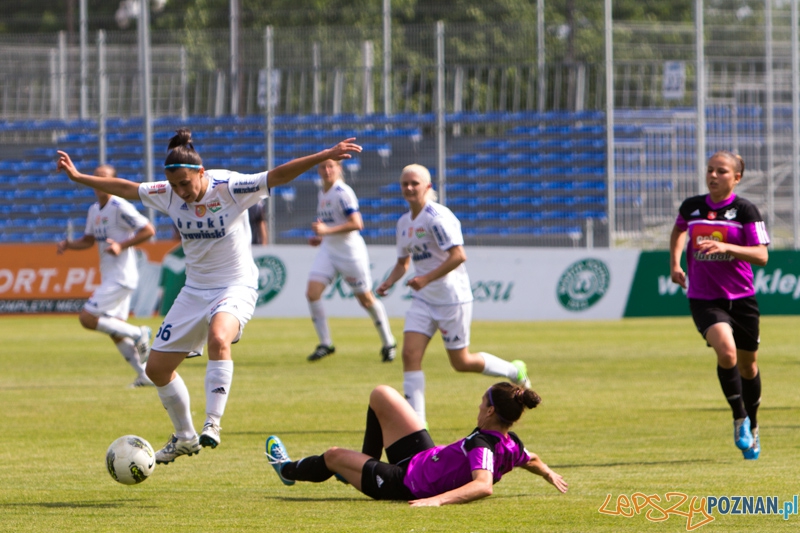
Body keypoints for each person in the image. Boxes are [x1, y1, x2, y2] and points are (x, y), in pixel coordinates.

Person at [57, 130, 362, 464]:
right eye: (174, 186)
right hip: (194, 290)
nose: (181, 192)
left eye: (186, 184)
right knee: (157, 369)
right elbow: (127, 189)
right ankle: (185, 437)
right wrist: (78, 177)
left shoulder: (229, 187)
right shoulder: (167, 193)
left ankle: (212, 424)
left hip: (236, 285)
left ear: (201, 173)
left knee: (220, 336)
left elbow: (278, 175)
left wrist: (324, 155)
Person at [375, 164, 531, 425]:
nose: (410, 188)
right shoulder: (403, 223)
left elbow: (458, 255)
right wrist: (388, 282)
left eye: (415, 183)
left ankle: (514, 370)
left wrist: (425, 278)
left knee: (461, 361)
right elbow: (403, 262)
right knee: (409, 355)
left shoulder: (438, 217)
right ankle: (417, 424)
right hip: (424, 300)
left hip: (451, 298)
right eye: (405, 184)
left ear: (428, 186)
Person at [265, 382, 568, 505]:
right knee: (381, 394)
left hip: (404, 483)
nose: (478, 406)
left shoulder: (483, 447)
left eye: (481, 403)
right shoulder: (510, 443)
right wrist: (548, 473)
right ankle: (360, 465)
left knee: (332, 456)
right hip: (422, 458)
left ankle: (287, 470)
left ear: (490, 411)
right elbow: (531, 458)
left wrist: (435, 501)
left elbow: (483, 484)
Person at [669, 150, 769, 460]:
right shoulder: (692, 207)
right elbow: (679, 230)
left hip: (741, 299)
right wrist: (675, 264)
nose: (713, 175)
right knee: (726, 352)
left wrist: (726, 246)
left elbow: (762, 255)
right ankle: (739, 417)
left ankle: (753, 425)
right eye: (710, 170)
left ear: (736, 178)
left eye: (721, 171)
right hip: (704, 297)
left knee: (748, 365)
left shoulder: (745, 210)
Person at [56, 164, 155, 388]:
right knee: (114, 330)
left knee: (87, 318)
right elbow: (89, 240)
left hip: (122, 276)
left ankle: (139, 332)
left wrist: (122, 245)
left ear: (112, 182)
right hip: (110, 276)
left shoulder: (120, 205)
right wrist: (69, 244)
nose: (99, 181)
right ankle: (145, 375)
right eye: (97, 177)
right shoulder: (94, 210)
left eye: (104, 178)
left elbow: (148, 230)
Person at [305, 158, 396, 363]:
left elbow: (357, 223)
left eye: (331, 166)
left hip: (349, 253)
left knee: (365, 299)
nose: (327, 170)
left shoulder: (342, 192)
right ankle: (325, 343)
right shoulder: (323, 192)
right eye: (322, 167)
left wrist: (327, 231)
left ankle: (388, 342)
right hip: (329, 250)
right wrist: (321, 237)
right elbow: (332, 223)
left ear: (339, 169)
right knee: (312, 293)